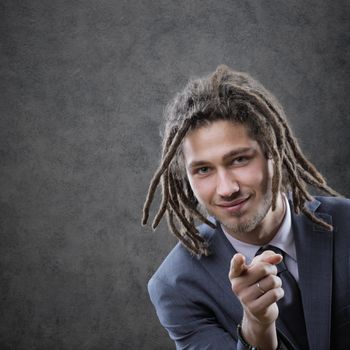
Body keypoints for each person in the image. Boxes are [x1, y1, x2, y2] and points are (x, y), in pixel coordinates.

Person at [141, 65, 350, 350]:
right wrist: (256, 327)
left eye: (239, 159)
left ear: (273, 150)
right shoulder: (175, 287)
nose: (227, 189)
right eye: (203, 169)